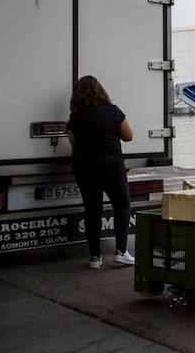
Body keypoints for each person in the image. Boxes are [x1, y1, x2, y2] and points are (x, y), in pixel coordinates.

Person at [67, 75, 135, 269]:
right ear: (101, 91)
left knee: (92, 209)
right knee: (121, 205)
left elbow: (73, 143)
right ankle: (121, 251)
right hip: (111, 164)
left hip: (84, 165)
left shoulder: (75, 117)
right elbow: (129, 136)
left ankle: (95, 258)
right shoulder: (114, 112)